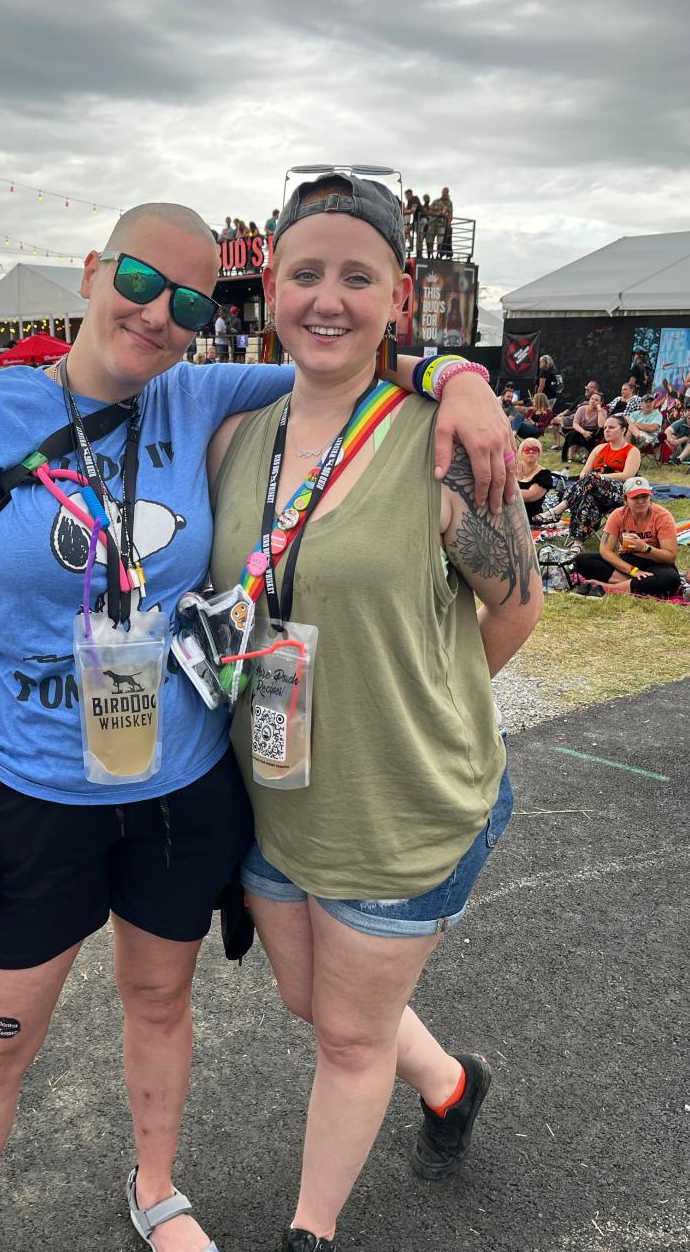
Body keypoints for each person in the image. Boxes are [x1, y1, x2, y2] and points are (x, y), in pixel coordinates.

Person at [0, 198, 516, 1252]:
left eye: (186, 300)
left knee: (161, 1002)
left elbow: (345, 359)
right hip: (27, 794)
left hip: (180, 788)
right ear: (93, 271)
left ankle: (158, 1187)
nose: (156, 314)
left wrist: (462, 376)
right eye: (137, 281)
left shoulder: (205, 392)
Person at [208, 171, 542, 1252]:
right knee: (315, 999)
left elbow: (516, 609)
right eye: (306, 272)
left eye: (359, 275)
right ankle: (451, 1081)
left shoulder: (445, 443)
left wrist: (419, 705)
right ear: (272, 289)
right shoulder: (235, 437)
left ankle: (312, 1230)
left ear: (399, 299)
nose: (328, 297)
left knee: (348, 1037)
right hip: (280, 792)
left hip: (401, 798)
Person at [534, 414, 641, 548]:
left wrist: (599, 477)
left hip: (617, 493)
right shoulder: (599, 449)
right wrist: (594, 478)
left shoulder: (632, 450)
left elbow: (627, 475)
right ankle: (577, 543)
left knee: (591, 478)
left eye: (611, 427)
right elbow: (583, 473)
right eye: (606, 427)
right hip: (593, 489)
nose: (606, 430)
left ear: (623, 430)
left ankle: (558, 510)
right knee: (588, 498)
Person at [572, 476, 680, 598]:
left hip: (656, 564)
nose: (640, 501)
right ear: (625, 500)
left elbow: (670, 557)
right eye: (635, 497)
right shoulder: (617, 515)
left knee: (671, 579)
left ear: (650, 497)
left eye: (644, 497)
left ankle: (609, 588)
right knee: (581, 560)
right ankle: (636, 583)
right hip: (627, 562)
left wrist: (645, 548)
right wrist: (633, 571)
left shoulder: (662, 516)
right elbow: (605, 550)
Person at [515, 437, 555, 521]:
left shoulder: (544, 475)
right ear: (521, 453)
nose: (531, 452)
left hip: (529, 517)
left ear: (539, 453)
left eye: (534, 449)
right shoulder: (513, 468)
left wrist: (504, 491)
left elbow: (530, 496)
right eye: (527, 449)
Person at [560, 390, 605, 462]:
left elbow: (601, 425)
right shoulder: (581, 409)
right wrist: (584, 432)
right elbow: (575, 424)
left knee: (590, 436)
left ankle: (587, 458)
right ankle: (570, 458)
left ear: (601, 403)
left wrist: (599, 410)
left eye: (596, 400)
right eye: (592, 399)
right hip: (580, 429)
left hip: (593, 431)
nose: (593, 401)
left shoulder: (602, 412)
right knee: (572, 434)